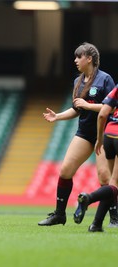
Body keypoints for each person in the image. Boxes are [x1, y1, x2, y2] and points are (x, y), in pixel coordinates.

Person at [38, 42, 116, 226]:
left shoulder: (105, 79)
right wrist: (57, 116)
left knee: (105, 177)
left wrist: (88, 105)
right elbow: (77, 109)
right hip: (84, 133)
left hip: (104, 133)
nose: (75, 60)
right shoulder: (78, 81)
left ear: (89, 59)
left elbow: (112, 109)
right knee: (65, 171)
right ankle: (59, 214)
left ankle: (115, 217)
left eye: (78, 57)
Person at [73, 85, 118, 232]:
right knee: (114, 184)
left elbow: (103, 114)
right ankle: (89, 198)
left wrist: (100, 138)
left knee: (112, 184)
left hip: (109, 135)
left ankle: (96, 225)